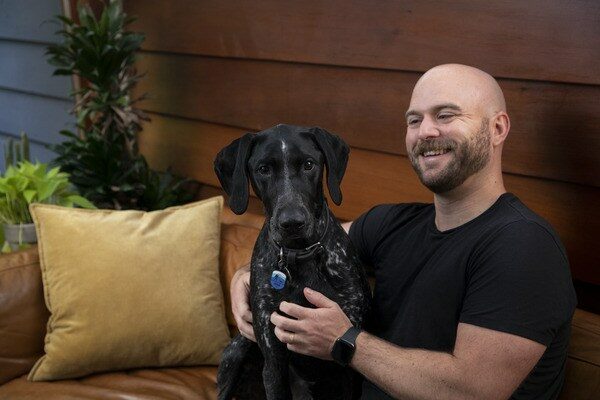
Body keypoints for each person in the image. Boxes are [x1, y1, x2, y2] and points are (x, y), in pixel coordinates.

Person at [229, 64, 577, 399]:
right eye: (415, 119)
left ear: (498, 129)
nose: (426, 131)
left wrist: (346, 341)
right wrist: (245, 275)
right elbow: (299, 243)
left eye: (446, 115)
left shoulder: (523, 245)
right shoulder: (390, 224)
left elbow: (471, 392)